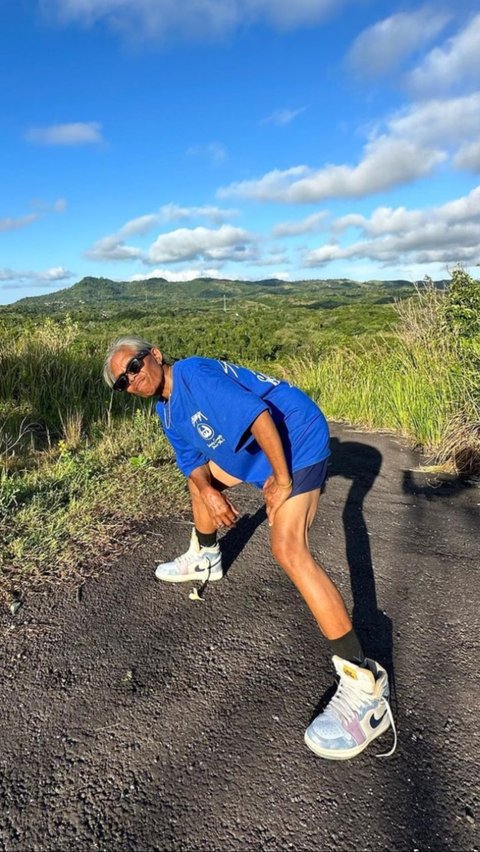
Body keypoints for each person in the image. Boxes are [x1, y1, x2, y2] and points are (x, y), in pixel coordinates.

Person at [103, 336, 396, 760]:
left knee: (288, 548)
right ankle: (205, 555)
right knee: (199, 484)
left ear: (154, 355)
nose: (132, 378)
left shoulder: (193, 375)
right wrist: (209, 491)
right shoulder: (165, 409)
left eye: (133, 365)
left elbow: (260, 417)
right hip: (257, 451)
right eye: (122, 382)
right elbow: (192, 464)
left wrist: (279, 481)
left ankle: (364, 686)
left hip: (295, 437)